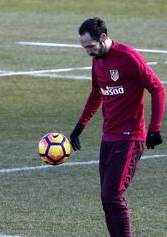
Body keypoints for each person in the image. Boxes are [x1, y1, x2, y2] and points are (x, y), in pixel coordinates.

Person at [70, 17, 165, 237]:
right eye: (84, 48)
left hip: (130, 137)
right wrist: (80, 126)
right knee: (106, 197)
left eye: (90, 46)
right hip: (109, 137)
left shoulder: (129, 57)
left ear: (102, 38)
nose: (88, 52)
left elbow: (158, 89)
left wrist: (154, 128)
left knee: (113, 195)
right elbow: (97, 93)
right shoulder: (97, 60)